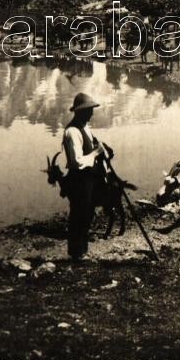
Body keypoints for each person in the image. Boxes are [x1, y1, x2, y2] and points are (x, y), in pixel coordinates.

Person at [62, 92, 107, 262]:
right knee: (78, 215)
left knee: (87, 214)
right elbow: (76, 162)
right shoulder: (72, 131)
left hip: (89, 179)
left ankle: (82, 251)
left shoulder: (85, 127)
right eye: (88, 110)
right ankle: (76, 254)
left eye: (91, 110)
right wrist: (96, 152)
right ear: (79, 111)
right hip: (79, 179)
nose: (91, 113)